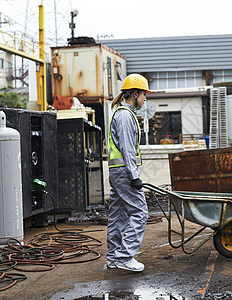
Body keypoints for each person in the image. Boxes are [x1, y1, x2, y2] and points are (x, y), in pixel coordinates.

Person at [105, 73, 151, 272]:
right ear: (134, 93)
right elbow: (127, 147)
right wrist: (134, 176)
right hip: (124, 172)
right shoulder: (124, 116)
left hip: (117, 172)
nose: (145, 98)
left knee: (118, 214)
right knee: (140, 212)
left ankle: (114, 256)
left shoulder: (123, 113)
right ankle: (124, 257)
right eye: (144, 94)